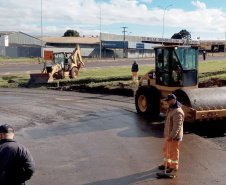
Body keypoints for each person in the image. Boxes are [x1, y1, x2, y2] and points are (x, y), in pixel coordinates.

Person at [158, 94, 184, 173]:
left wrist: (171, 136)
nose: (167, 102)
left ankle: (174, 166)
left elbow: (177, 127)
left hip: (174, 136)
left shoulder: (178, 112)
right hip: (168, 135)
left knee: (173, 151)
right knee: (166, 149)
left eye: (168, 101)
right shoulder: (171, 109)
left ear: (173, 100)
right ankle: (167, 163)